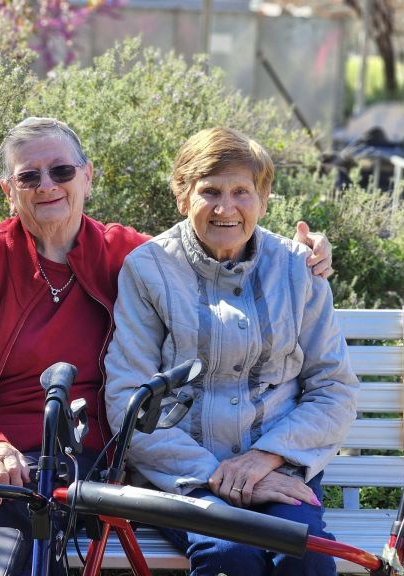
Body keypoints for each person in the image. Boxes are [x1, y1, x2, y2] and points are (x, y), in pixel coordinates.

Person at [0, 117, 333, 574]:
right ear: (10, 189)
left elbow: (213, 238)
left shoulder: (123, 251)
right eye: (29, 176)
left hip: (77, 455)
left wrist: (305, 254)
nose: (47, 186)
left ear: (87, 176)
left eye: (61, 172)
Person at [104, 127, 359, 576]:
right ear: (182, 197)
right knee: (228, 556)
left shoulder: (299, 269)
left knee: (306, 557)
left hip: (280, 467)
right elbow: (130, 399)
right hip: (183, 477)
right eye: (210, 192)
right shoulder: (147, 270)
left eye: (242, 191)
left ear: (262, 200)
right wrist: (217, 475)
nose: (226, 208)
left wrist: (264, 460)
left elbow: (333, 388)